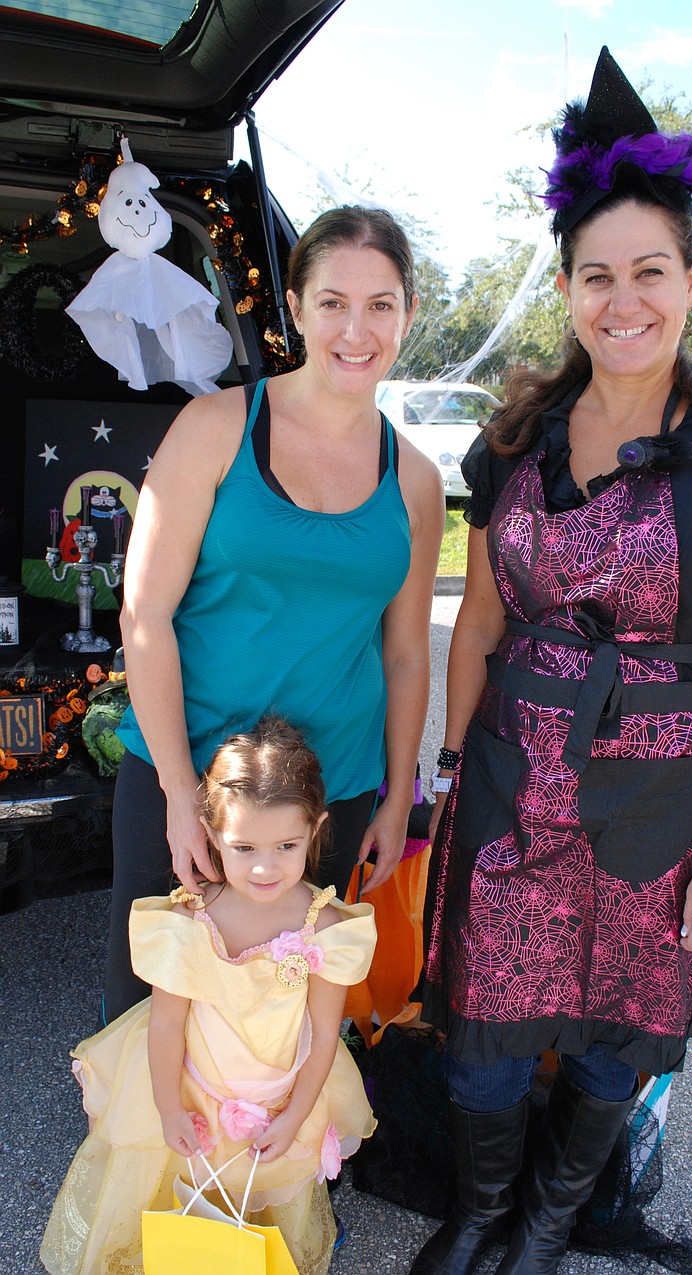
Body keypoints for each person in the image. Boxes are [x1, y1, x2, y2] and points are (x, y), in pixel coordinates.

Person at [412, 47, 692, 1275]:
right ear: (568, 287)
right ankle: (484, 1208)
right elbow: (479, 625)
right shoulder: (516, 442)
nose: (625, 299)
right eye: (599, 275)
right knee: (482, 1031)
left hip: (662, 797)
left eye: (652, 271)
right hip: (505, 783)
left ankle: (546, 1221)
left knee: (612, 1034)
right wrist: (446, 774)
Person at [105, 205, 444, 1020]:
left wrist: (399, 797)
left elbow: (404, 653)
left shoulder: (417, 480)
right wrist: (181, 797)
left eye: (380, 305)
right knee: (157, 1006)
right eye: (332, 301)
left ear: (407, 314)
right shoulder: (216, 428)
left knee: (285, 1019)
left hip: (333, 793)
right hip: (186, 772)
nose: (355, 329)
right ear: (295, 306)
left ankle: (279, 1156)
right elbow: (144, 616)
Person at [41, 716, 378, 1275]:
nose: (265, 866)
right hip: (195, 1095)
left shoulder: (328, 926)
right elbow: (167, 1024)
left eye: (287, 845)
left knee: (262, 1200)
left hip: (279, 1097)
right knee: (176, 1198)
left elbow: (324, 1033)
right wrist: (170, 1109)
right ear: (209, 831)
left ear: (317, 830)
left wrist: (294, 1118)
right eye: (243, 846)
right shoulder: (189, 920)